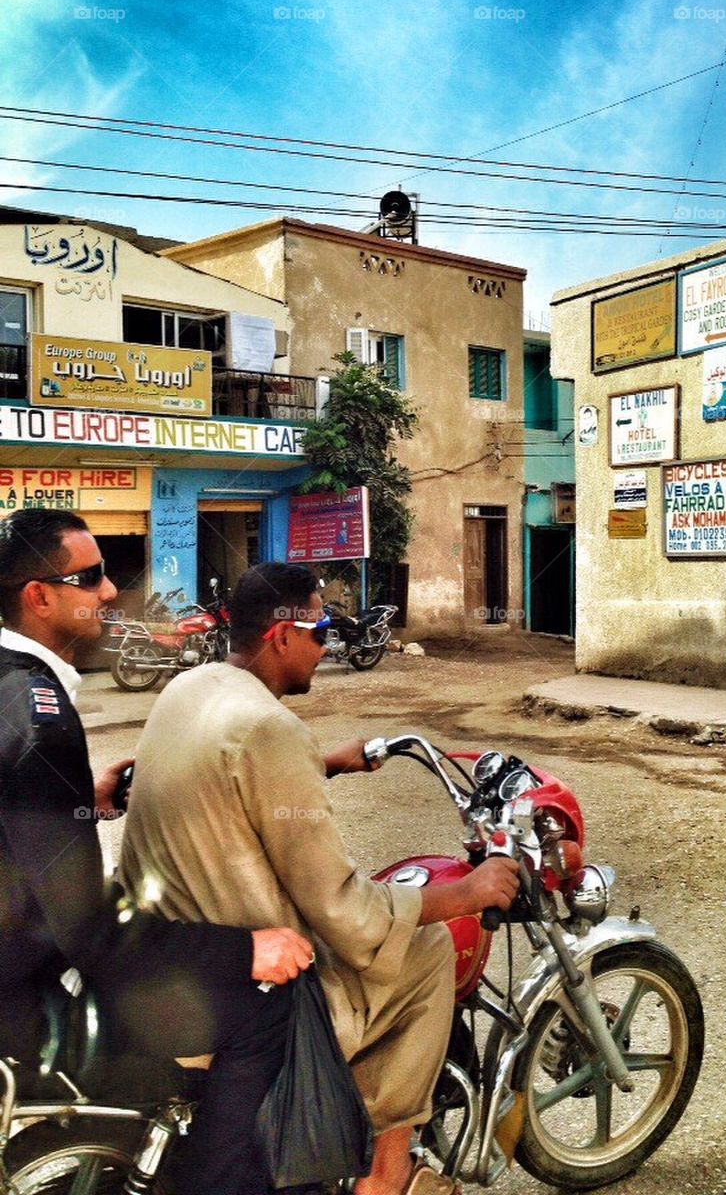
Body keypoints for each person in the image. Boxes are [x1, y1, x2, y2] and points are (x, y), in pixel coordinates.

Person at [121, 561, 521, 1195]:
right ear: (282, 636)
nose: (328, 645)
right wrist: (466, 892)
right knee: (427, 948)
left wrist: (323, 763)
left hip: (179, 950)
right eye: (322, 630)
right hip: (252, 983)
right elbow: (346, 911)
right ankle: (384, 1174)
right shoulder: (270, 729)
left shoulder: (191, 687)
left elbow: (227, 783)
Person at [0, 510, 315, 1195]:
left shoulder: (13, 684)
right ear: (39, 597)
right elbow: (87, 930)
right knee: (265, 1009)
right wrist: (245, 949)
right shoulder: (40, 711)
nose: (110, 591)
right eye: (90, 577)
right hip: (26, 1003)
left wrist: (82, 796)